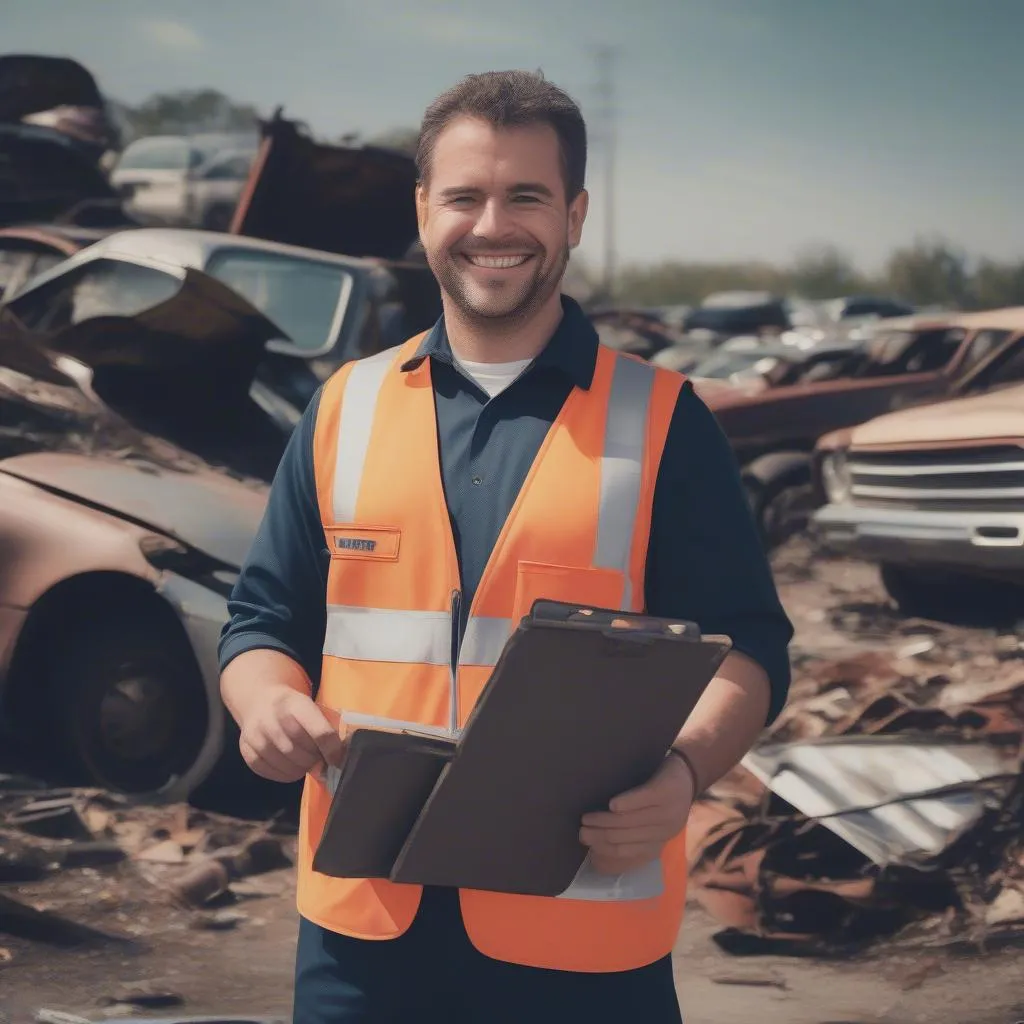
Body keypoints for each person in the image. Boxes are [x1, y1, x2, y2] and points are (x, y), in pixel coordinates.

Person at [218, 69, 793, 1024]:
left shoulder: (665, 420)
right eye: (465, 196)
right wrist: (266, 702)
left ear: (573, 214)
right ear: (423, 211)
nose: (494, 224)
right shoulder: (342, 410)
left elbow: (748, 643)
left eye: (526, 195)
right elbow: (262, 619)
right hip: (366, 931)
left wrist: (687, 772)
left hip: (581, 930)